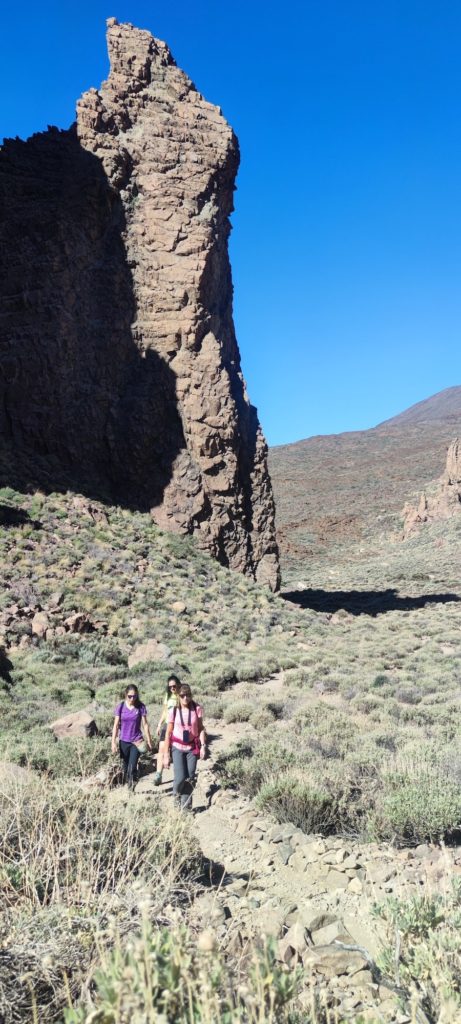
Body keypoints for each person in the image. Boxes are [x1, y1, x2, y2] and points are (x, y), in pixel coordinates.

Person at [163, 683, 207, 810]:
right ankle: (176, 797)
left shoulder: (196, 708)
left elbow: (200, 728)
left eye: (188, 695)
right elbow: (168, 733)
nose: (185, 698)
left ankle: (186, 808)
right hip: (177, 747)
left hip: (192, 748)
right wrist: (166, 754)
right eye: (182, 696)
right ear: (178, 696)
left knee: (190, 777)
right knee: (180, 777)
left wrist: (203, 746)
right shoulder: (174, 711)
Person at [111, 684, 153, 789]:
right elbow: (116, 725)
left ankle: (131, 789)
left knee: (131, 766)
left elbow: (145, 725)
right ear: (125, 694)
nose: (132, 698)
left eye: (134, 696)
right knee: (125, 768)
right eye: (130, 696)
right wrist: (113, 742)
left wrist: (149, 740)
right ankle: (132, 780)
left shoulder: (140, 707)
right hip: (123, 741)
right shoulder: (120, 707)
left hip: (136, 741)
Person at [153, 674, 180, 786]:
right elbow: (164, 711)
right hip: (166, 724)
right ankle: (158, 775)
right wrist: (159, 724)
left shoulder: (182, 695)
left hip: (178, 726)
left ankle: (180, 776)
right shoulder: (168, 696)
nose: (172, 688)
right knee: (161, 749)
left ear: (178, 684)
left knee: (177, 750)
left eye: (174, 686)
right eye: (170, 687)